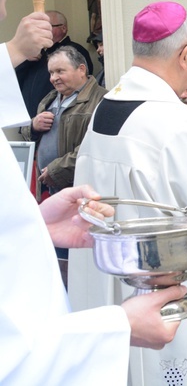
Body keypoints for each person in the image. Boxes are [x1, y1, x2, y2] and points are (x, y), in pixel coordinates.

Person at [0, 0, 182, 382]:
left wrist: (31, 227)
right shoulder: (41, 98)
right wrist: (115, 326)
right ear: (185, 57)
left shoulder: (107, 101)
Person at [69, 1, 187, 386]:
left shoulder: (104, 109)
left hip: (110, 296)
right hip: (167, 306)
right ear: (186, 55)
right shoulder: (181, 125)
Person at [21, 45, 107, 265]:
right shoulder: (49, 99)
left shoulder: (101, 101)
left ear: (81, 69)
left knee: (77, 256)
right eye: (51, 73)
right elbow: (25, 133)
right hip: (49, 190)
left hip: (77, 191)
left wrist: (58, 170)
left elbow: (95, 147)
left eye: (60, 71)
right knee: (54, 254)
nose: (53, 78)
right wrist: (33, 125)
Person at [15, 9, 95, 117]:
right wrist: (25, 60)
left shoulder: (75, 50)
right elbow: (16, 82)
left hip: (58, 117)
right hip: (29, 119)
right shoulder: (36, 51)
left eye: (48, 26)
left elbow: (79, 86)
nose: (42, 30)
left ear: (63, 28)